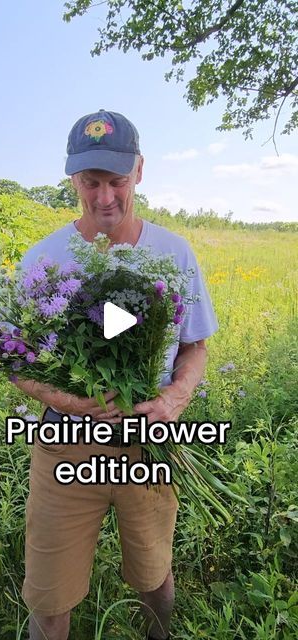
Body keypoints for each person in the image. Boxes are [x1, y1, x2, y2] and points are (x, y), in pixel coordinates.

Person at [14, 109, 219, 640]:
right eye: (90, 181)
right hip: (64, 446)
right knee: (50, 599)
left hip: (149, 445)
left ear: (140, 173)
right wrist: (69, 400)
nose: (104, 196)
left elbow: (194, 347)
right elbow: (17, 361)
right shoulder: (45, 259)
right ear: (72, 180)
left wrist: (174, 397)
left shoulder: (173, 253)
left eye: (116, 181)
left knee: (155, 578)